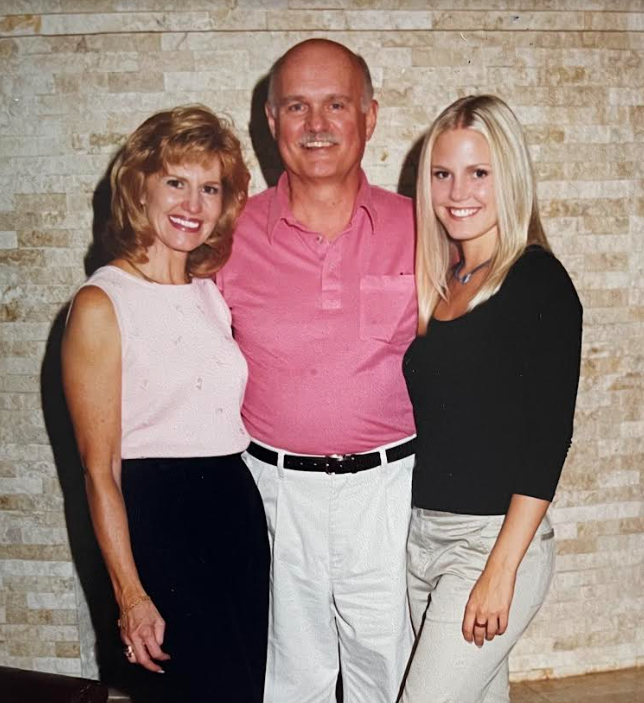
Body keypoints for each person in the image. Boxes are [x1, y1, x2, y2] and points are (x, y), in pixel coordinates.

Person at [217, 39, 417, 703]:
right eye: (297, 106)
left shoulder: (422, 228)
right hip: (272, 490)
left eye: (336, 103)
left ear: (369, 115)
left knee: (387, 672)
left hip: (389, 488)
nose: (318, 123)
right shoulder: (225, 235)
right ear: (270, 122)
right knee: (287, 678)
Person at [61, 105, 269, 703]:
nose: (193, 203)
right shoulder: (103, 303)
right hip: (157, 521)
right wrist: (130, 594)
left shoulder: (211, 295)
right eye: (176, 181)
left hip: (234, 509)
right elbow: (99, 474)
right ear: (140, 186)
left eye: (210, 188)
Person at [399, 94, 583, 703]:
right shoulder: (440, 282)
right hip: (421, 537)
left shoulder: (538, 281)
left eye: (479, 172)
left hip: (491, 545)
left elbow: (547, 440)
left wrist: (499, 571)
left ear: (510, 176)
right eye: (442, 173)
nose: (458, 192)